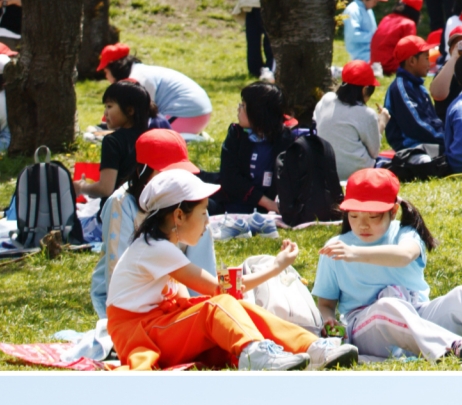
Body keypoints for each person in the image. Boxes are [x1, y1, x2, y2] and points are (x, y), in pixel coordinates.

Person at [106, 162, 350, 367]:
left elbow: (217, 292)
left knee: (228, 306)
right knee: (219, 305)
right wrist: (276, 267)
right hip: (139, 335)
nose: (207, 222)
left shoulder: (161, 246)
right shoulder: (156, 249)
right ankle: (257, 354)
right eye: (203, 213)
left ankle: (311, 346)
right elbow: (220, 290)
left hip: (155, 328)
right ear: (179, 216)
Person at [312, 166, 462, 359]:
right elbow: (326, 304)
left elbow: (403, 256)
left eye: (373, 216)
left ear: (393, 210)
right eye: (354, 216)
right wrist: (328, 321)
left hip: (419, 314)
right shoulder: (335, 248)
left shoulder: (405, 234)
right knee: (387, 306)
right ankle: (452, 347)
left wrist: (355, 253)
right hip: (369, 328)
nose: (362, 224)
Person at [91, 126, 200, 316]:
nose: (174, 180)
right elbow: (116, 269)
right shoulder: (121, 204)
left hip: (174, 296)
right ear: (142, 171)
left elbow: (200, 267)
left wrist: (199, 305)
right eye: (165, 173)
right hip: (131, 303)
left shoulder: (186, 199)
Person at [98, 42, 212, 139]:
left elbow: (138, 115)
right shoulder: (141, 71)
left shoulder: (138, 79)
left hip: (187, 112)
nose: (106, 77)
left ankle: (192, 138)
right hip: (199, 112)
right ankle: (189, 134)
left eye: (106, 72)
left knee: (150, 136)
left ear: (114, 68)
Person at [212, 79, 287, 214]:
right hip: (233, 202)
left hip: (269, 206)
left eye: (244, 105)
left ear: (257, 113)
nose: (239, 108)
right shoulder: (236, 135)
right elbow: (230, 178)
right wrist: (267, 203)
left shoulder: (284, 140)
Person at [315, 62, 388, 178]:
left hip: (324, 170)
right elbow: (374, 152)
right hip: (357, 173)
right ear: (365, 90)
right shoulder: (367, 114)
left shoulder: (326, 100)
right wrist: (382, 122)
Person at [93, 76, 155, 200]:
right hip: (144, 210)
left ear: (130, 110)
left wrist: (81, 188)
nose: (105, 113)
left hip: (115, 214)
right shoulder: (153, 139)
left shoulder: (112, 141)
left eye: (109, 106)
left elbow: (105, 189)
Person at [382, 36, 444, 154]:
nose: (429, 63)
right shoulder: (401, 88)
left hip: (428, 142)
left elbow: (432, 119)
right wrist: (444, 138)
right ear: (411, 61)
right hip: (411, 147)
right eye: (426, 58)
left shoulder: (418, 85)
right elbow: (417, 125)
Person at [342, 0, 387, 67]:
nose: (375, 4)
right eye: (375, 1)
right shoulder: (353, 10)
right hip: (359, 54)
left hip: (371, 51)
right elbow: (353, 35)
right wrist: (375, 37)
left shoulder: (368, 9)